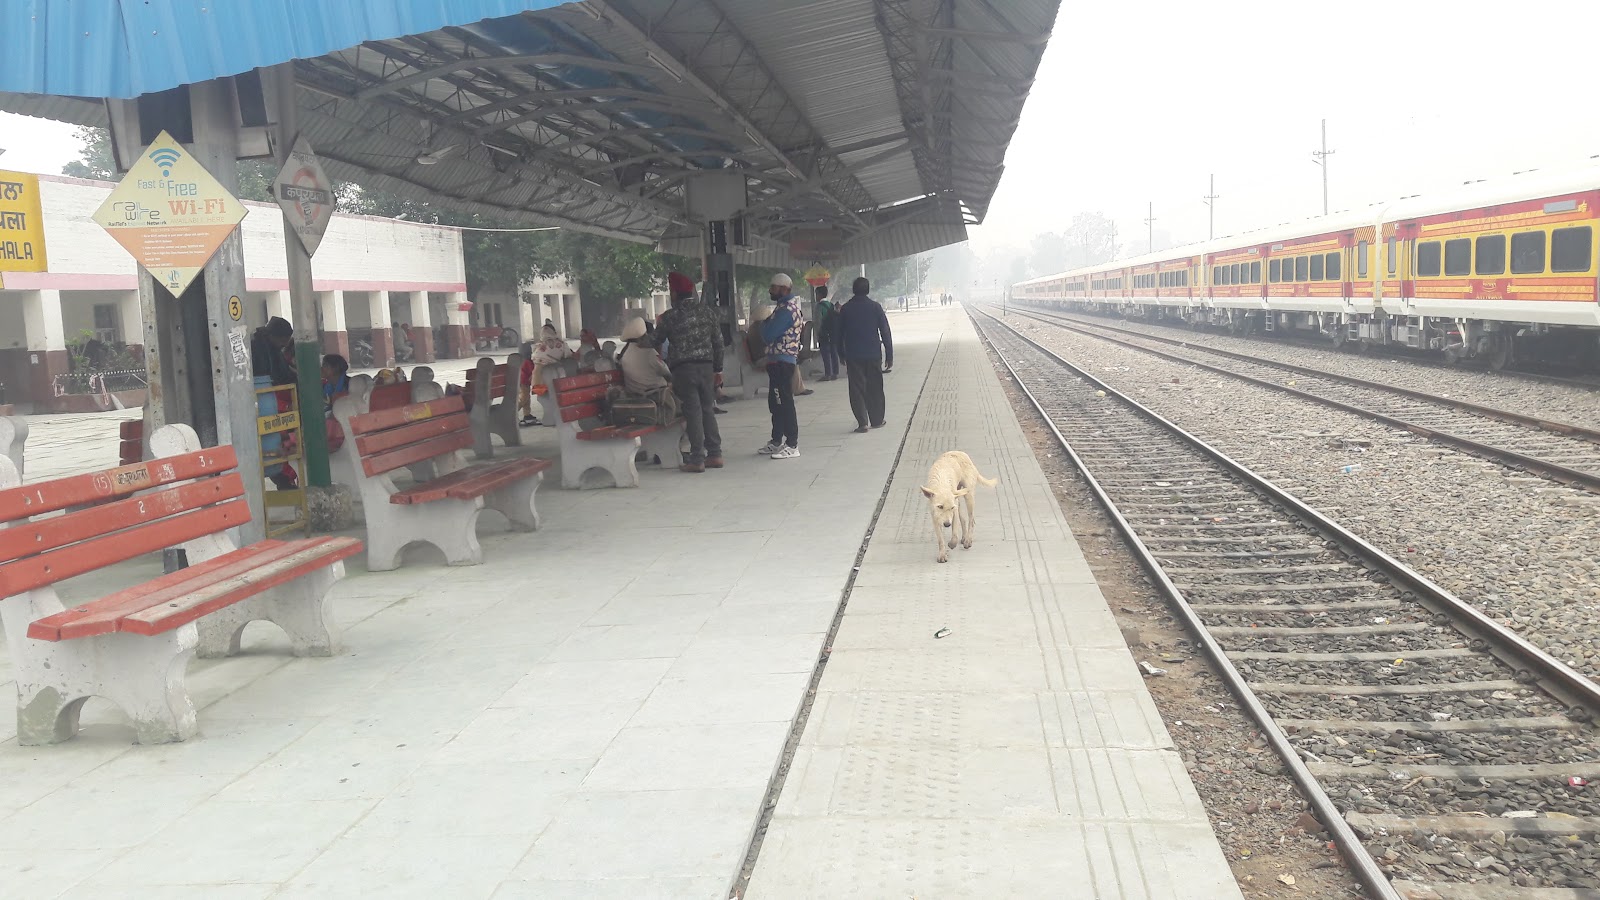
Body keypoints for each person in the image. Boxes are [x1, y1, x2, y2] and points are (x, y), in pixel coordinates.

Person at [650, 271, 724, 473]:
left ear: (674, 293)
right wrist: (718, 368)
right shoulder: (708, 313)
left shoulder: (670, 317)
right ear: (691, 291)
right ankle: (715, 454)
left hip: (684, 369)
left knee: (693, 412)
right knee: (707, 409)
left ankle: (697, 459)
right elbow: (718, 343)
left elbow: (654, 341)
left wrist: (638, 339)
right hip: (706, 367)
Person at [835, 276, 894, 433]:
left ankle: (862, 423)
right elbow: (885, 331)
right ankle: (877, 420)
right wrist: (889, 355)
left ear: (853, 290)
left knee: (856, 388)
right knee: (875, 387)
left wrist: (841, 353)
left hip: (853, 355)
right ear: (868, 290)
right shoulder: (875, 307)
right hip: (873, 354)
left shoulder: (846, 309)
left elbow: (839, 334)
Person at [758, 273, 805, 459]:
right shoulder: (783, 308)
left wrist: (763, 325)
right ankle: (776, 441)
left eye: (773, 287)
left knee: (783, 402)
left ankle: (792, 444)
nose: (770, 290)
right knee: (776, 403)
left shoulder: (786, 311)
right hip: (778, 361)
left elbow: (767, 335)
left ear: (784, 289)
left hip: (782, 361)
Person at [252, 317, 297, 490]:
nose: (285, 344)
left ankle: (282, 478)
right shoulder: (264, 348)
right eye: (284, 340)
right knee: (268, 442)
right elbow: (281, 374)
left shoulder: (262, 343)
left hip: (266, 397)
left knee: (270, 441)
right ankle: (281, 478)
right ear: (277, 336)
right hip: (263, 395)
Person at [617, 316, 678, 421]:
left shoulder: (624, 354)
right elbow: (667, 372)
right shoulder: (649, 352)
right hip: (656, 397)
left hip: (634, 395)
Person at [815, 289, 840, 382]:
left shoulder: (819, 307)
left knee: (826, 354)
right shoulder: (831, 305)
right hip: (833, 333)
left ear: (819, 295)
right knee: (834, 353)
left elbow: (818, 322)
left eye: (816, 294)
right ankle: (835, 373)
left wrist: (817, 334)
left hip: (824, 334)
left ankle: (828, 374)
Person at [516, 341, 539, 427]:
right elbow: (532, 372)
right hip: (523, 382)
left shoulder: (522, 360)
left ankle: (527, 414)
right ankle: (513, 412)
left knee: (526, 398)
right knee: (524, 398)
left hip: (521, 381)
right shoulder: (528, 361)